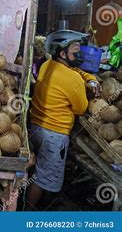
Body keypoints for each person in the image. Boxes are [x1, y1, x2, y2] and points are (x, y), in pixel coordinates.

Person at [26, 30, 101, 209]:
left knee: (35, 171)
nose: (79, 54)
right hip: (54, 135)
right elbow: (81, 108)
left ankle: (26, 203)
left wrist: (89, 79)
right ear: (62, 53)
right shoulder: (72, 79)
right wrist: (88, 84)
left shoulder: (47, 65)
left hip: (36, 126)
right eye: (75, 50)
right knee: (44, 179)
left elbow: (74, 71)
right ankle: (27, 213)